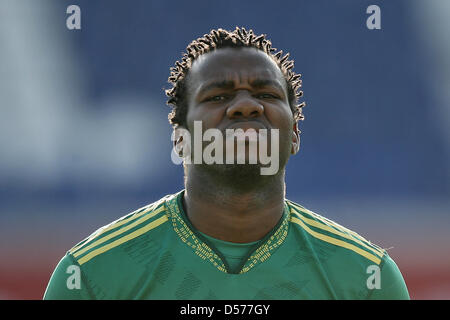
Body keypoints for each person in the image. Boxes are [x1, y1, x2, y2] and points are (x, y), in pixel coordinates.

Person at [44, 27, 409, 299]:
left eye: (266, 94)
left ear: (294, 134)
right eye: (218, 95)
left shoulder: (365, 279)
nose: (246, 106)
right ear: (180, 139)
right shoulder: (91, 276)